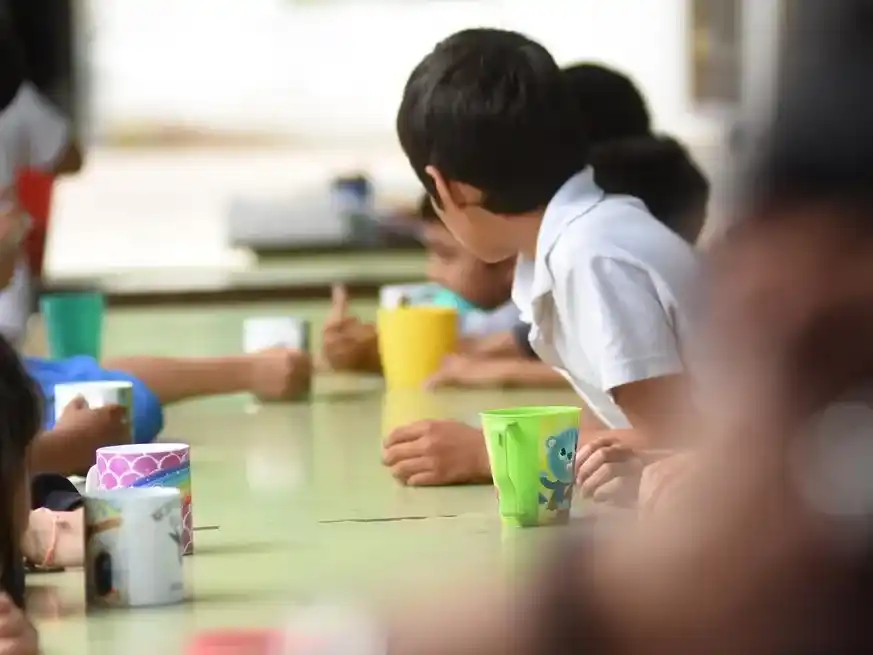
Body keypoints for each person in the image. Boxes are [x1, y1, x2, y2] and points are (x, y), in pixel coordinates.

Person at [385, 40, 701, 494]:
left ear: (447, 188)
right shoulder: (577, 237)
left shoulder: (591, 256)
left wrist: (489, 454)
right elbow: (615, 420)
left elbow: (676, 439)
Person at [320, 194, 524, 375]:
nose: (432, 273)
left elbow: (484, 347)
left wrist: (497, 371)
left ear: (510, 260)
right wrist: (358, 353)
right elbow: (461, 348)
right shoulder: (468, 314)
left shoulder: (535, 310)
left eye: (446, 255)